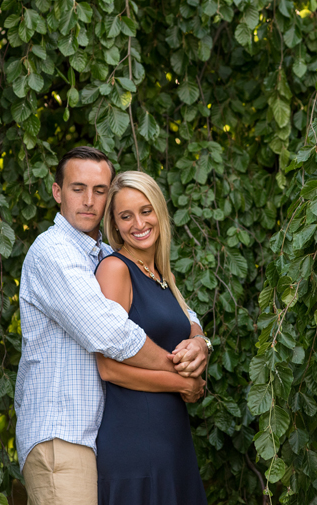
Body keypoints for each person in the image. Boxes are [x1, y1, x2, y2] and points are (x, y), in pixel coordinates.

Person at [14, 147, 211, 505]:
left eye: (100, 190)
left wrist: (200, 344)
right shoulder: (54, 252)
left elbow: (182, 314)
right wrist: (182, 376)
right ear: (57, 192)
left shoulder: (105, 255)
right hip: (63, 437)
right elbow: (111, 333)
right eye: (78, 188)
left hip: (94, 437)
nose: (89, 200)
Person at [93, 171, 209, 505]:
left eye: (146, 211)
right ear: (114, 226)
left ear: (159, 211)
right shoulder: (115, 269)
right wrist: (181, 384)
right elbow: (109, 368)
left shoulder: (160, 273)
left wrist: (201, 343)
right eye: (125, 216)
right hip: (135, 442)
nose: (138, 223)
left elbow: (189, 324)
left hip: (171, 438)